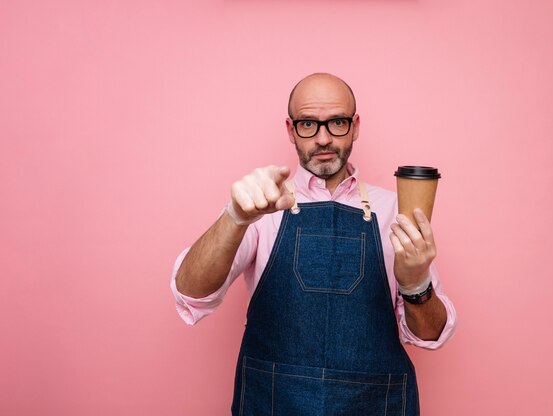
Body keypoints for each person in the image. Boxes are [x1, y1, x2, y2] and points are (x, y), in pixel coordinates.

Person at [171, 73, 457, 415]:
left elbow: (431, 334)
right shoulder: (262, 204)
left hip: (374, 403)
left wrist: (415, 283)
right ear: (291, 130)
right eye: (308, 124)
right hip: (273, 402)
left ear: (355, 127)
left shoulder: (394, 210)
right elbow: (190, 293)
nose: (323, 138)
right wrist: (234, 217)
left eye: (337, 122)